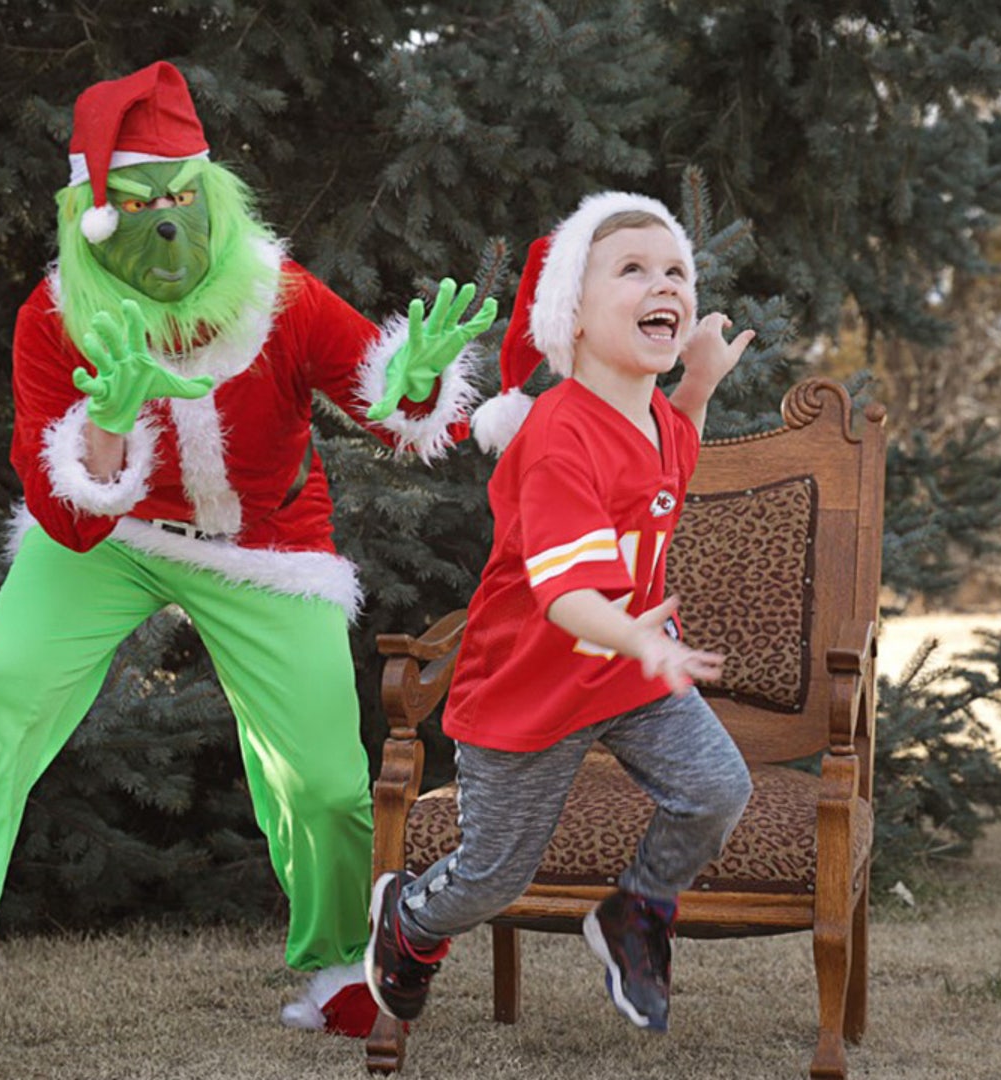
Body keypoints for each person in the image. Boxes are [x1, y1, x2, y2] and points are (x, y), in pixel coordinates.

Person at [0, 61, 495, 1080]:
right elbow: (64, 508)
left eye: (184, 196)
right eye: (139, 205)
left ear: (215, 197)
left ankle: (331, 963)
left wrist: (411, 384)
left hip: (264, 547)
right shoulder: (53, 319)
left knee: (321, 776)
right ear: (95, 218)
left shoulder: (286, 297)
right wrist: (105, 420)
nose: (167, 224)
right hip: (109, 539)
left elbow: (392, 407)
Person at [363, 192, 757, 1036]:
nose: (666, 284)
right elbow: (567, 596)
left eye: (677, 270)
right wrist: (639, 637)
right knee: (492, 879)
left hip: (629, 674)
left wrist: (699, 382)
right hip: (528, 693)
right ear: (570, 316)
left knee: (718, 789)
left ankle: (638, 912)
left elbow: (677, 450)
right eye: (635, 270)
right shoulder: (556, 437)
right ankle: (409, 921)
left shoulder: (652, 417)